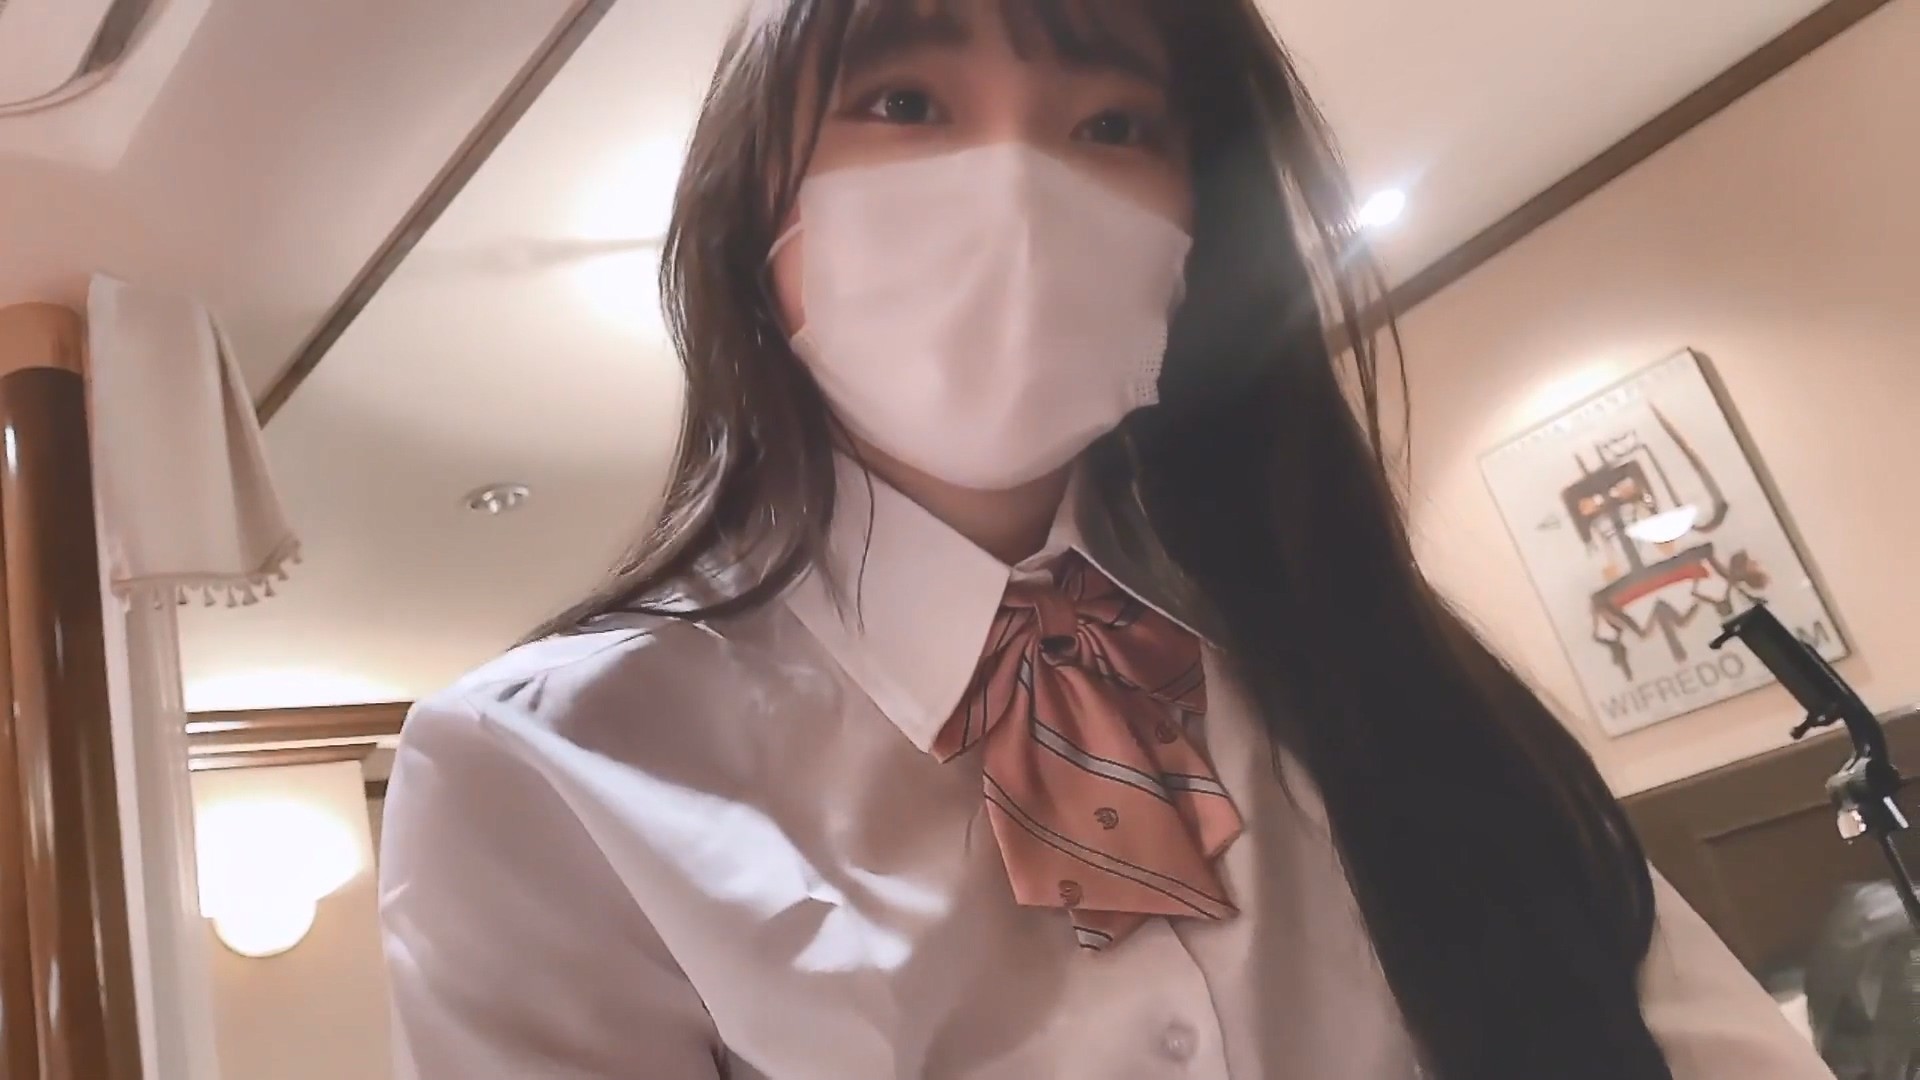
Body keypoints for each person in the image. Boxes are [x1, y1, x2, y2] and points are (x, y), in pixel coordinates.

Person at [377, 1, 1834, 1076]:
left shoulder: (1366, 658)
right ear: (751, 208)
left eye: (1116, 126)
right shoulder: (540, 773)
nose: (1017, 190)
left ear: (1201, 231)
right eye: (904, 100)